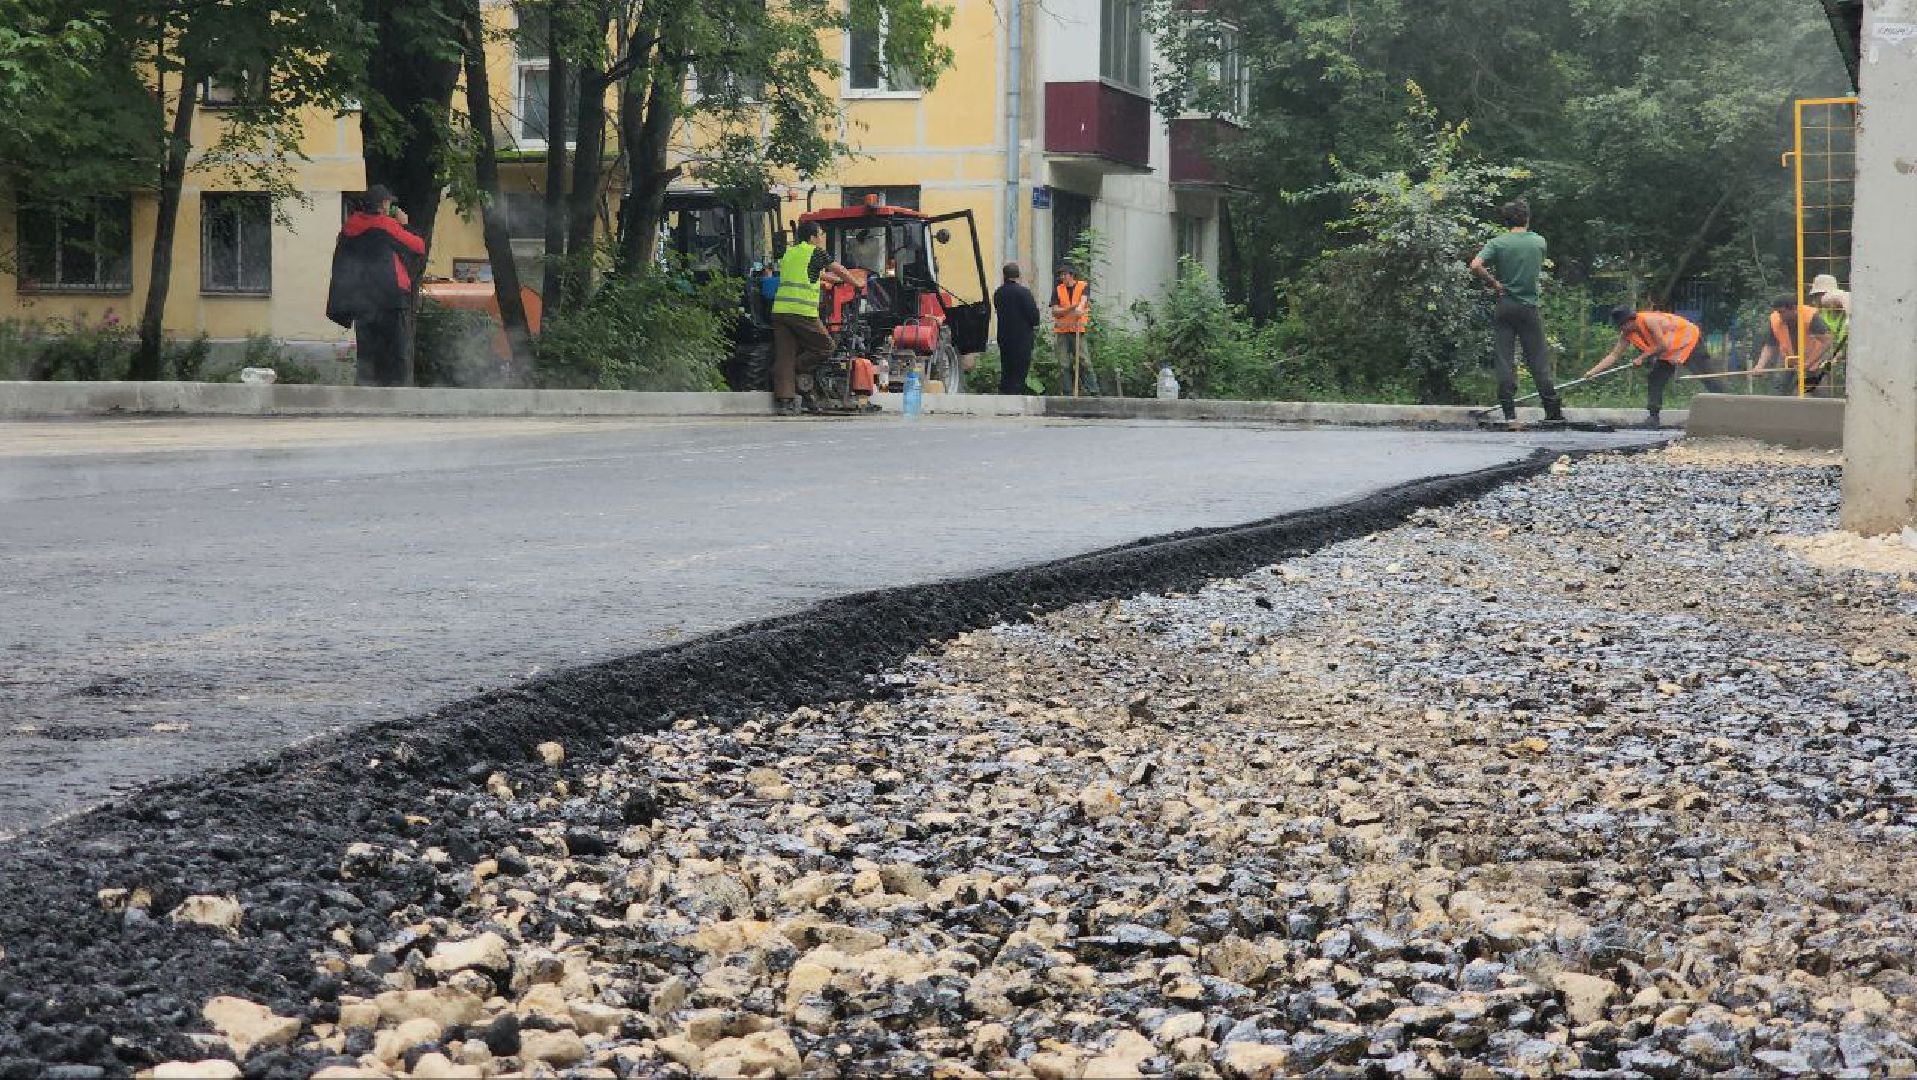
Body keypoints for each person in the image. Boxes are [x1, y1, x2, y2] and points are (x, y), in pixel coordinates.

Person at [1468, 199, 1565, 426]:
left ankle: (1509, 414)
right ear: (1527, 218)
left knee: (1504, 359)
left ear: (1506, 221)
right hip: (1529, 307)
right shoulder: (1539, 242)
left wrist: (1495, 283)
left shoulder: (1498, 243)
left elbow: (1475, 265)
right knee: (1538, 360)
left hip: (1505, 305)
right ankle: (1552, 412)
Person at [326, 185, 426, 386]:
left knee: (367, 354)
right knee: (395, 354)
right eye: (388, 202)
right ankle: (393, 400)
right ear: (383, 205)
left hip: (360, 302)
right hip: (389, 300)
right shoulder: (385, 225)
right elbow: (417, 247)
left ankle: (366, 397)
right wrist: (404, 225)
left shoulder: (349, 227)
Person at [769, 221, 851, 415]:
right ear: (813, 237)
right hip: (801, 310)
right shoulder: (816, 252)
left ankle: (785, 402)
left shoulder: (790, 253)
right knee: (826, 346)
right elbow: (839, 269)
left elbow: (812, 273)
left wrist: (832, 280)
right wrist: (856, 282)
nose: (822, 238)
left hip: (780, 311)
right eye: (821, 234)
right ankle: (799, 368)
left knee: (785, 355)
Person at [1584, 306, 1711, 428]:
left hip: (1689, 341)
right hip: (1670, 350)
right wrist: (1592, 372)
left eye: (1623, 325)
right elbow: (1614, 355)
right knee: (1655, 378)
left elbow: (1662, 345)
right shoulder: (1626, 334)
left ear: (1631, 320)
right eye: (1619, 326)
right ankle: (1653, 417)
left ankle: (1728, 404)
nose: (1621, 329)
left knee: (1707, 377)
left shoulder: (1649, 321)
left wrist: (1641, 358)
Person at [1751, 295, 1832, 394]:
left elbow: (1827, 341)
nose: (1780, 315)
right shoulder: (1775, 320)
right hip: (1788, 357)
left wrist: (1807, 363)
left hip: (1815, 358)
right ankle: (1776, 407)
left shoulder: (1810, 317)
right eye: (1778, 312)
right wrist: (1760, 365)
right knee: (1778, 385)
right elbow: (1770, 345)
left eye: (1782, 312)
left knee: (1819, 390)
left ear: (1794, 308)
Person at [993, 263, 1041, 395]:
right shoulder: (1023, 292)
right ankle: (1015, 395)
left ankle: (1004, 394)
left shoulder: (998, 293)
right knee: (1020, 369)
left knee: (1007, 367)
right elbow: (1034, 315)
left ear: (1004, 276)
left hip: (1004, 336)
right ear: (1018, 276)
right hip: (1022, 337)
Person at [1051, 265, 1097, 396]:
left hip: (1078, 329)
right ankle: (1067, 392)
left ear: (1071, 275)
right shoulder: (1058, 290)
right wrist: (1071, 308)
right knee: (1063, 364)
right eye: (1061, 275)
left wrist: (1079, 308)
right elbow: (1055, 310)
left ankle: (1093, 391)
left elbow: (1083, 301)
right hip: (1062, 330)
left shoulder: (1082, 286)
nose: (1062, 278)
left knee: (1084, 361)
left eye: (1064, 275)